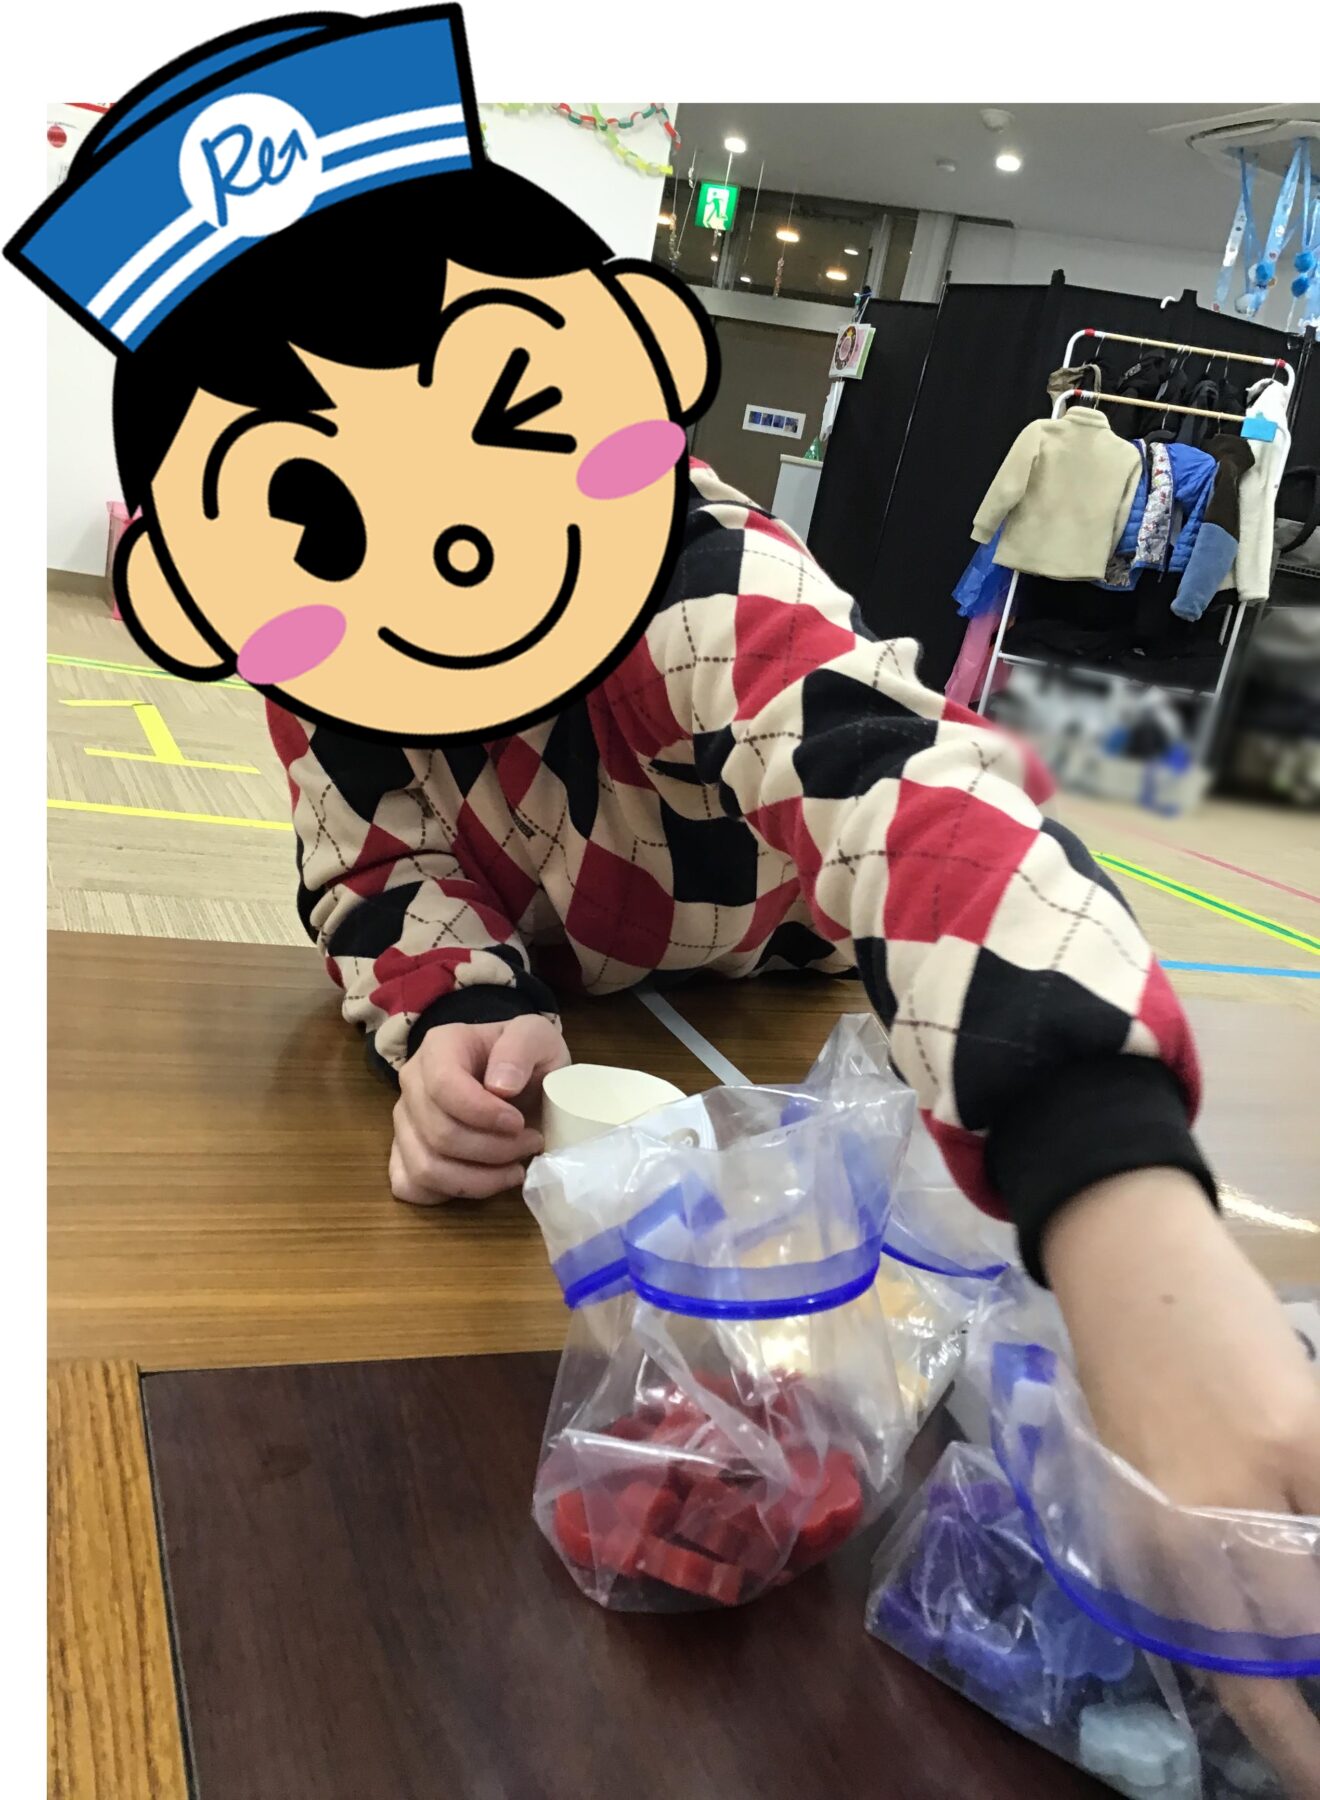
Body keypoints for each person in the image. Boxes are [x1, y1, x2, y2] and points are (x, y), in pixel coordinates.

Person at [12, 11, 1315, 1782]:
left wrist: (1134, 1238)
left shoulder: (697, 579)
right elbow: (369, 869)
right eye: (321, 515)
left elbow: (910, 800)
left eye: (497, 419)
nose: (443, 549)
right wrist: (455, 1016)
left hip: (790, 995)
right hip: (580, 1059)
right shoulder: (320, 654)